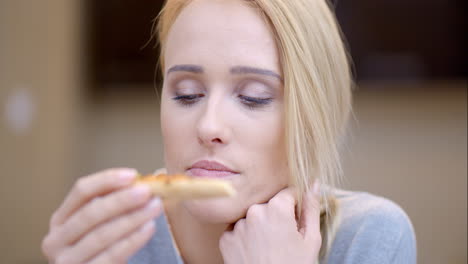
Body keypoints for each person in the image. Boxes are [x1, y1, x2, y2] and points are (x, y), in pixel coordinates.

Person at [41, 0, 417, 263]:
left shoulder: (368, 238)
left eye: (253, 98)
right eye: (187, 94)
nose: (209, 127)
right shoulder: (110, 242)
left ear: (314, 116)